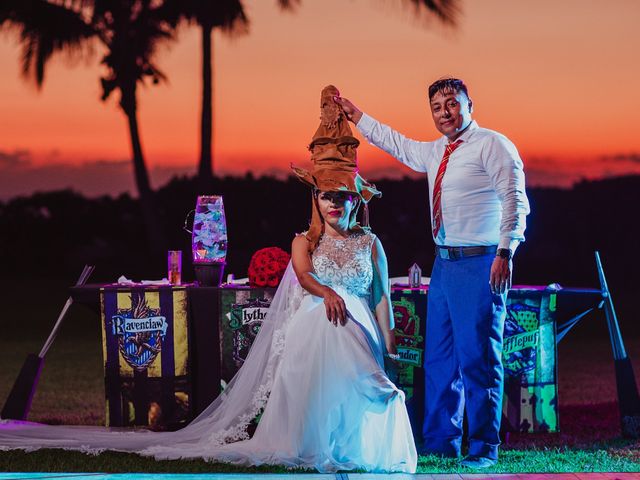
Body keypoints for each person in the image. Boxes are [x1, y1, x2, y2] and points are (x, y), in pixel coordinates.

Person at [0, 85, 417, 474]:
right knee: (331, 349)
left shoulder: (370, 243)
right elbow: (305, 276)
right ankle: (317, 444)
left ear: (354, 199)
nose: (333, 203)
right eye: (326, 195)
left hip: (359, 323)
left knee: (363, 369)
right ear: (315, 198)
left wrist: (391, 340)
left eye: (341, 196)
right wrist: (326, 292)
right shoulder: (304, 241)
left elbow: (380, 294)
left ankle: (355, 444)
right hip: (321, 319)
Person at [334, 78, 530, 469]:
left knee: (478, 358)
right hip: (444, 263)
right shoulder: (436, 151)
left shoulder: (493, 145)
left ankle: (484, 447)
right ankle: (442, 441)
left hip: (482, 260)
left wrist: (505, 251)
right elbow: (397, 143)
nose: (445, 112)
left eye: (452, 104)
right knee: (440, 357)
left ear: (469, 104)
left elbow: (515, 199)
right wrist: (358, 118)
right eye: (437, 107)